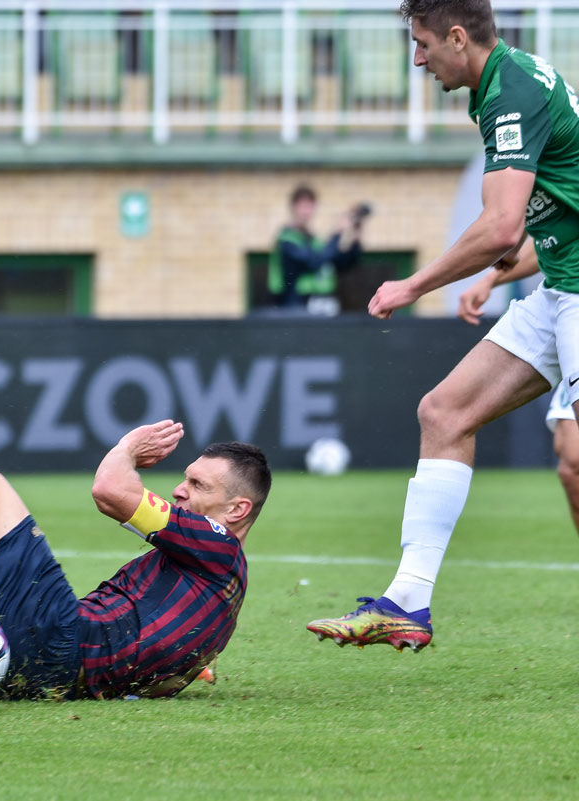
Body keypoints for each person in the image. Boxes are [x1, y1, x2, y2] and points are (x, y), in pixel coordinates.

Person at [308, 0, 579, 650]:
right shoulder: (503, 86)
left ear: (458, 38)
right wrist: (497, 278)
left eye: (424, 43)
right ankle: (407, 602)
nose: (417, 59)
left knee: (574, 455)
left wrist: (414, 284)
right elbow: (556, 213)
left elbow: (502, 226)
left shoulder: (512, 92)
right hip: (561, 286)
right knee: (445, 412)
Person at [0, 420, 271, 700]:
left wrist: (127, 448)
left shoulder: (219, 544)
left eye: (197, 485)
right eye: (184, 479)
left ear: (237, 510)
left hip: (63, 639)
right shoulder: (224, 598)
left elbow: (110, 491)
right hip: (53, 679)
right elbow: (164, 680)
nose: (179, 490)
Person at [457, 240, 579, 534]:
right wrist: (490, 279)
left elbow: (501, 229)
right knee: (571, 465)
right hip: (569, 311)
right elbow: (550, 241)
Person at [268, 184, 366, 314]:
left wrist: (355, 237)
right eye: (302, 206)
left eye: (309, 206)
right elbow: (314, 261)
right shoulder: (287, 240)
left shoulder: (314, 241)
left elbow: (341, 264)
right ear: (293, 208)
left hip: (321, 306)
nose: (306, 211)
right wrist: (337, 232)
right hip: (294, 307)